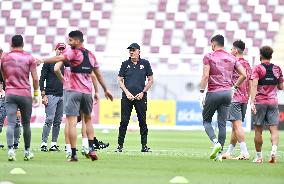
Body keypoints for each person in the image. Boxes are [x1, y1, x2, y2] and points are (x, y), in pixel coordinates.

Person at [38, 30, 112, 161]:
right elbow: (96, 75)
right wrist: (104, 90)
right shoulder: (91, 55)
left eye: (70, 40)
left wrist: (42, 60)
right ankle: (91, 149)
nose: (68, 42)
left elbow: (56, 65)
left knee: (71, 123)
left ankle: (72, 153)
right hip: (87, 93)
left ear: (77, 41)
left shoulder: (71, 52)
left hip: (73, 92)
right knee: (88, 121)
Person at [199, 35, 246, 161]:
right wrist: (234, 88)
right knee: (222, 125)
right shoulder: (231, 57)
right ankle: (219, 155)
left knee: (206, 121)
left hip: (214, 92)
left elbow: (205, 76)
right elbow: (244, 75)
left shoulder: (209, 56)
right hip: (227, 94)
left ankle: (215, 143)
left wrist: (201, 93)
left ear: (213, 44)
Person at [54, 61, 112, 159]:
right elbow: (93, 76)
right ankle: (87, 147)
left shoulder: (68, 57)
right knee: (86, 120)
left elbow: (56, 69)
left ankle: (69, 150)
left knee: (70, 122)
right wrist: (97, 91)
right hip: (86, 91)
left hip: (71, 91)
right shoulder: (86, 59)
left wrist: (64, 81)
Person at [0, 35, 39, 161]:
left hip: (10, 93)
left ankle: (11, 151)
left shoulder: (4, 58)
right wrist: (36, 94)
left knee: (11, 123)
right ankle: (27, 152)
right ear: (23, 43)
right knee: (26, 124)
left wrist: (9, 86)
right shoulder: (29, 58)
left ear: (11, 44)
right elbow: (35, 78)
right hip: (25, 94)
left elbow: (4, 76)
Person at [116, 43, 154, 152]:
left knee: (142, 121)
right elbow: (119, 80)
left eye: (133, 50)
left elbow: (151, 80)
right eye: (130, 51)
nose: (131, 52)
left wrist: (143, 92)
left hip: (140, 97)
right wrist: (127, 92)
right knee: (124, 121)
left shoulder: (145, 63)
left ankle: (144, 146)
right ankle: (120, 146)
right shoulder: (125, 64)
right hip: (127, 97)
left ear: (139, 51)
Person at [250, 46, 283, 164]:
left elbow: (254, 85)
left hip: (260, 102)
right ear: (271, 56)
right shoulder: (277, 69)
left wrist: (252, 101)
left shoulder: (258, 68)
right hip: (273, 102)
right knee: (274, 129)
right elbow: (281, 87)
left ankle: (259, 157)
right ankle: (273, 150)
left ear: (260, 56)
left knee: (258, 130)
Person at [222, 40, 251, 160]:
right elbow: (250, 81)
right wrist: (248, 97)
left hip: (234, 98)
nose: (230, 51)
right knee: (235, 126)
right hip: (244, 98)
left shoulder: (233, 62)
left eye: (231, 49)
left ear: (236, 50)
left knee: (237, 125)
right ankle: (229, 152)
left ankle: (244, 152)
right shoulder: (248, 64)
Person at [39, 43, 66, 152]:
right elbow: (42, 79)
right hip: (50, 94)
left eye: (63, 49)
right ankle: (44, 143)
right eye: (59, 49)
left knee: (58, 121)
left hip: (62, 95)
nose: (61, 51)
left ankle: (54, 144)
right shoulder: (49, 62)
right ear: (55, 49)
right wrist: (43, 94)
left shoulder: (66, 63)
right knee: (49, 119)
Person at [0, 47, 21, 149]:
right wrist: (2, 91)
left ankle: (16, 143)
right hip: (6, 96)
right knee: (1, 119)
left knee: (16, 121)